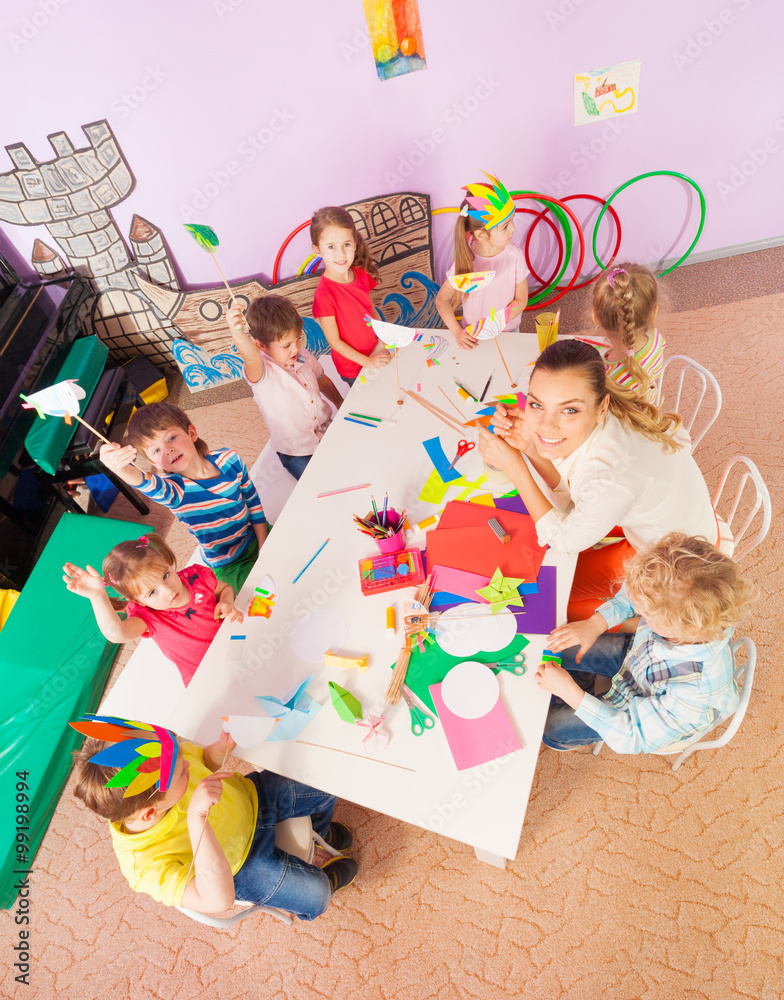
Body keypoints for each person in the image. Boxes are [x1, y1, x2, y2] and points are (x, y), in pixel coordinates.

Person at [478, 338, 717, 620]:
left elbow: (565, 540)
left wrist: (514, 466)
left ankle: (633, 626)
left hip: (677, 561)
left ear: (601, 408)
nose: (545, 425)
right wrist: (531, 447)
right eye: (536, 405)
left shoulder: (610, 476)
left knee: (546, 593)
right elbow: (574, 495)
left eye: (569, 410)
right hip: (666, 517)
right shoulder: (610, 414)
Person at [71, 719, 358, 918]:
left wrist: (220, 749)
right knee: (317, 895)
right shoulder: (144, 866)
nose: (186, 761)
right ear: (149, 813)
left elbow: (203, 761)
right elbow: (217, 900)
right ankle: (323, 877)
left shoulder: (168, 764)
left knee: (325, 778)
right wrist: (197, 818)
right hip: (241, 866)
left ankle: (319, 832)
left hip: (252, 798)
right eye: (183, 772)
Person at [536, 533, 752, 753]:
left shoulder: (696, 698)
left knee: (549, 726)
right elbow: (638, 595)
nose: (638, 611)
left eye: (647, 613)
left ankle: (570, 724)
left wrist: (571, 693)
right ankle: (584, 682)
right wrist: (596, 623)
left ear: (686, 628)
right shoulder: (688, 607)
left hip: (639, 708)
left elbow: (632, 736)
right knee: (558, 645)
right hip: (637, 656)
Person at [99, 402, 268, 593]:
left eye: (171, 437)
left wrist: (264, 545)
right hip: (229, 564)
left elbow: (252, 500)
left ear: (192, 433)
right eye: (155, 450)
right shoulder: (173, 491)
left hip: (256, 535)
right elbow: (141, 481)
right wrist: (115, 466)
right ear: (152, 462)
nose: (167, 449)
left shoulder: (230, 459)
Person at [63, 533, 243, 687]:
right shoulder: (148, 616)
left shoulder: (196, 577)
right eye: (152, 592)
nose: (169, 590)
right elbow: (117, 634)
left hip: (237, 643)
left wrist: (227, 601)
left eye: (165, 575)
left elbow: (224, 589)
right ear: (136, 601)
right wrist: (97, 596)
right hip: (207, 679)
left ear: (167, 562)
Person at [226, 294, 343, 480]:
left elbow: (323, 380)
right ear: (261, 346)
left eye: (297, 339)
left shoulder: (303, 357)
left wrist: (340, 403)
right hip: (297, 453)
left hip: (326, 430)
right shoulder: (262, 373)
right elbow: (250, 356)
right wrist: (237, 333)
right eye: (286, 345)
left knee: (349, 462)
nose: (295, 348)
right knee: (320, 483)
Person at [435, 172, 529, 351]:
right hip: (474, 335)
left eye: (512, 221)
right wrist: (457, 331)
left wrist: (498, 322)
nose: (514, 229)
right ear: (481, 235)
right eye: (505, 226)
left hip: (508, 330)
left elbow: (521, 299)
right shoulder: (466, 261)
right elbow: (441, 300)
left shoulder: (514, 255)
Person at [310, 206, 392, 388]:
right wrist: (367, 362)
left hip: (376, 350)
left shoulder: (361, 274)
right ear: (317, 250)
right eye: (331, 247)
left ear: (355, 244)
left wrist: (382, 338)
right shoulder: (324, 295)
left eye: (346, 245)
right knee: (366, 401)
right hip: (353, 367)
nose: (340, 254)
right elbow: (335, 342)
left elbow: (371, 309)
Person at [587, 262, 665, 402]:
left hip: (626, 422)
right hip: (650, 409)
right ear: (654, 312)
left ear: (595, 317)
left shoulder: (608, 378)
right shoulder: (656, 338)